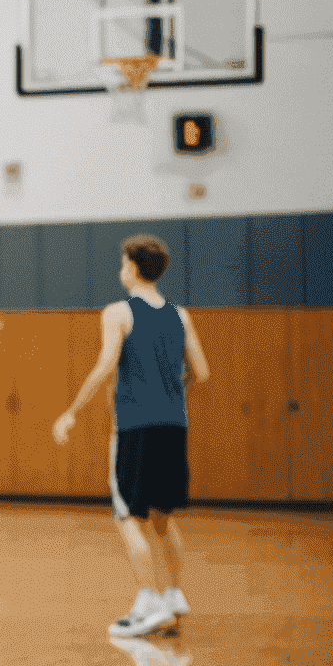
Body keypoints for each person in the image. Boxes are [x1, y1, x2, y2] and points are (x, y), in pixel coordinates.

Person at [53, 234, 209, 640]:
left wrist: (71, 412)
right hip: (174, 425)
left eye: (123, 264)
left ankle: (148, 601)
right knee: (163, 516)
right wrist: (173, 393)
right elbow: (201, 372)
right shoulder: (180, 314)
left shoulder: (119, 312)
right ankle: (174, 595)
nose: (120, 270)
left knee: (127, 515)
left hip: (136, 426)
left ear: (133, 268)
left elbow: (106, 365)